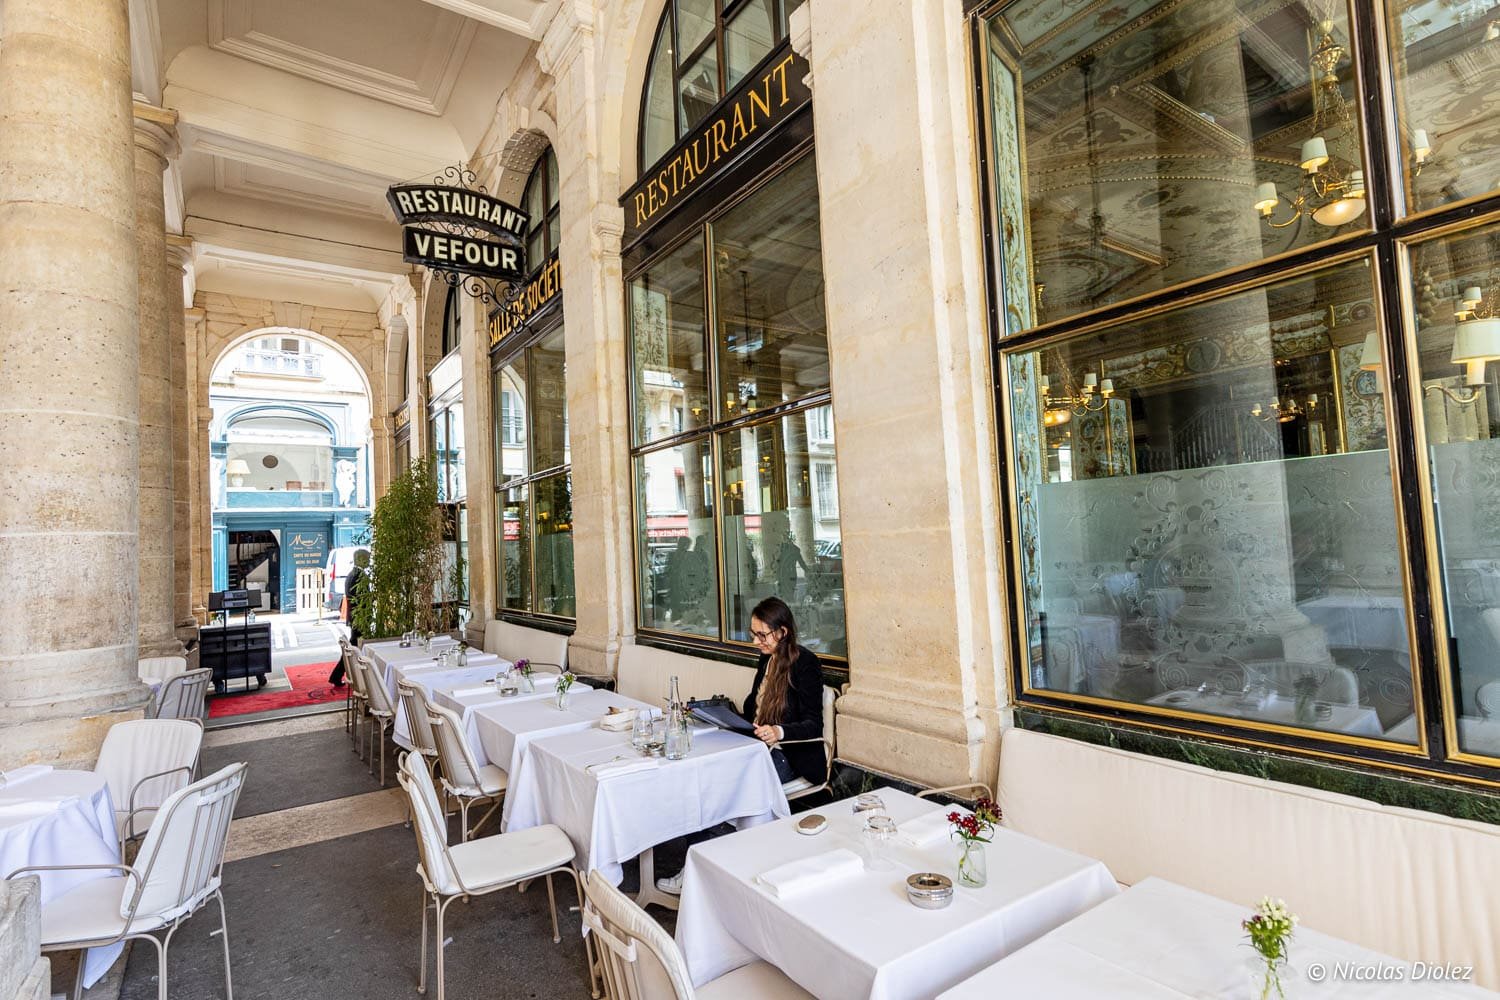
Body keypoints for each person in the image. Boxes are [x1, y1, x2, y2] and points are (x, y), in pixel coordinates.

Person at [656, 595, 824, 895]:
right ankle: (698, 868)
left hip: (789, 753)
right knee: (702, 780)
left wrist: (779, 731)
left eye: (762, 635)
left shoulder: (805, 664)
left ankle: (713, 873)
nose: (756, 641)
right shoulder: (767, 659)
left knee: (721, 788)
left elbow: (814, 723)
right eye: (753, 634)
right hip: (754, 744)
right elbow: (753, 710)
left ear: (782, 632)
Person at [328, 548, 370, 686]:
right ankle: (339, 675)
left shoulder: (352, 574)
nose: (369, 561)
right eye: (367, 558)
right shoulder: (359, 576)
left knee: (353, 648)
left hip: (355, 617)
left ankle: (337, 675)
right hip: (360, 618)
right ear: (359, 559)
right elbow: (360, 599)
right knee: (354, 648)